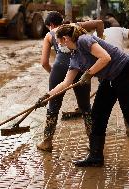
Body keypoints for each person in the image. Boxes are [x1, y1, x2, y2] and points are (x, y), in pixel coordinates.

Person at [36, 24, 129, 179]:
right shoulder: (75, 55)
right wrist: (46, 97)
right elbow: (65, 83)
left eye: (60, 43)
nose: (60, 46)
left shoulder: (84, 40)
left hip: (125, 72)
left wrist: (88, 73)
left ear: (66, 38)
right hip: (109, 79)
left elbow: (105, 57)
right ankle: (95, 157)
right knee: (97, 115)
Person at [36, 11, 104, 152]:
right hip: (81, 68)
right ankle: (92, 143)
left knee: (53, 105)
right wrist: (101, 38)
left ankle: (47, 142)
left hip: (59, 69)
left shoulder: (50, 35)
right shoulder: (76, 27)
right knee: (85, 106)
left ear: (51, 25)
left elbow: (44, 63)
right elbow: (99, 23)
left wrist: (54, 75)